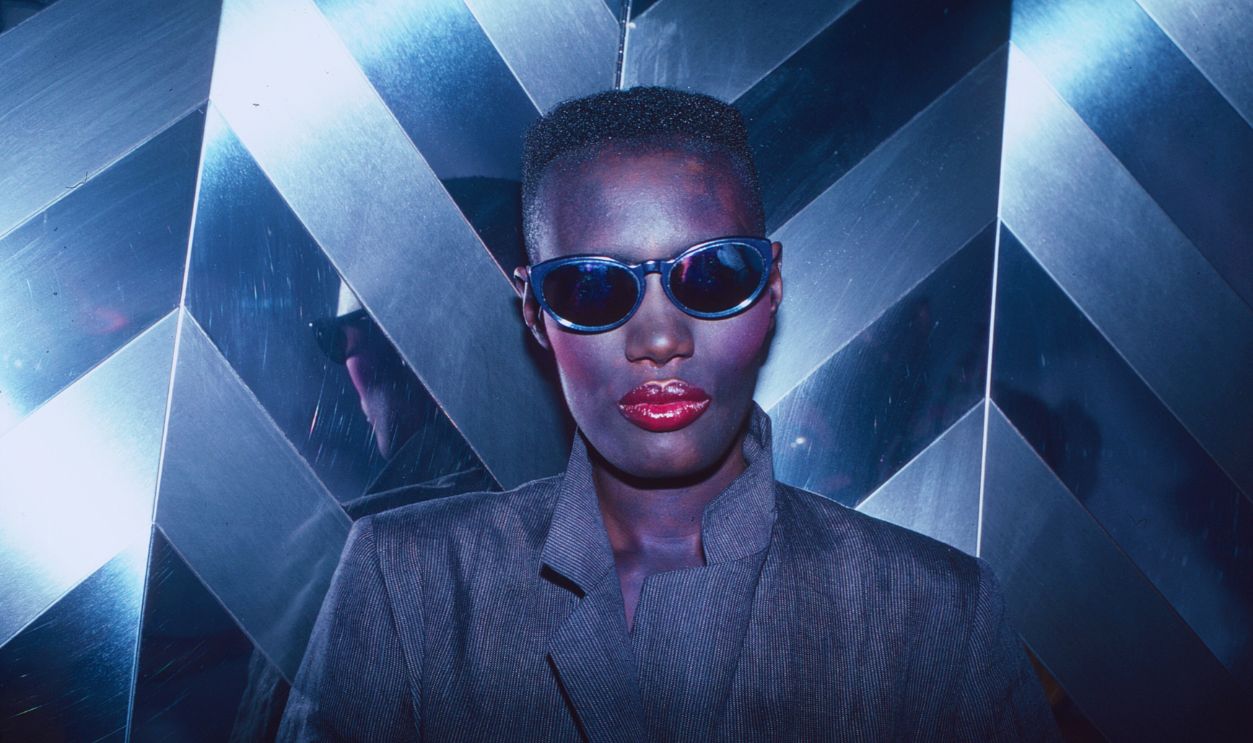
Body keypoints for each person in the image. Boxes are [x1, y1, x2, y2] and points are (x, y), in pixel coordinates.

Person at [277, 86, 1060, 741]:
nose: (659, 338)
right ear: (535, 311)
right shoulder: (409, 583)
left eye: (712, 274)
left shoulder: (936, 617)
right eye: (593, 286)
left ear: (770, 286)